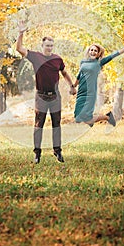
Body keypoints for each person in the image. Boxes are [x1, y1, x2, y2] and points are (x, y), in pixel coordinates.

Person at [16, 21, 76, 164]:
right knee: (39, 125)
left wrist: (72, 86)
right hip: (41, 96)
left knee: (57, 124)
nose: (49, 48)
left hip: (55, 96)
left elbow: (64, 73)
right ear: (42, 46)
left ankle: (58, 151)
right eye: (47, 45)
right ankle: (37, 154)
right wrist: (21, 33)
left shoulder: (57, 59)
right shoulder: (35, 56)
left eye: (51, 45)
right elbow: (19, 48)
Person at [73, 43, 124, 127]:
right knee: (77, 118)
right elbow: (79, 75)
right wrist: (73, 86)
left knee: (86, 118)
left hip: (90, 92)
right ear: (88, 51)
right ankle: (96, 119)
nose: (93, 52)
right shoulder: (83, 62)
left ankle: (107, 117)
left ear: (98, 54)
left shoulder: (99, 62)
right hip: (81, 91)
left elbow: (113, 55)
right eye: (91, 50)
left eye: (95, 51)